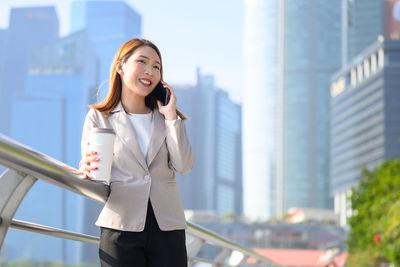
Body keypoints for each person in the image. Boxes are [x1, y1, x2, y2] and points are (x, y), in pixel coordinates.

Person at [78, 38, 195, 267]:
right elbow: (93, 166)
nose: (150, 71)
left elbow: (184, 165)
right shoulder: (99, 117)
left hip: (168, 227)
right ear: (120, 67)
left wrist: (171, 116)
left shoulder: (167, 118)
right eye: (142, 62)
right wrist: (86, 167)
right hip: (121, 225)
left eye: (156, 66)